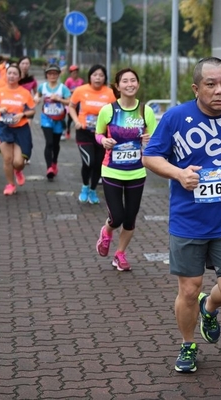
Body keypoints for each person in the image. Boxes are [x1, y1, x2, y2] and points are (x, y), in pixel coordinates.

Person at [142, 57, 221, 373]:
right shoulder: (175, 118)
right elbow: (151, 156)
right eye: (211, 84)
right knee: (188, 288)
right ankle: (188, 345)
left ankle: (208, 307)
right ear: (196, 88)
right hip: (188, 221)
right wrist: (178, 173)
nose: (219, 90)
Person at [94, 68, 157, 271]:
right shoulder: (108, 110)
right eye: (125, 81)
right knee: (117, 216)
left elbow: (155, 141)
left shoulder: (145, 111)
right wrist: (103, 141)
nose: (130, 84)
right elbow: (98, 134)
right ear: (118, 86)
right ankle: (106, 231)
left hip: (137, 171)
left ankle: (119, 254)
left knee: (130, 219)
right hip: (111, 170)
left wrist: (149, 140)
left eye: (133, 80)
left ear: (138, 84)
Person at [68, 64, 116, 204]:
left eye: (101, 75)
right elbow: (71, 106)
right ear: (90, 77)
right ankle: (85, 186)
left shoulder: (110, 93)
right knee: (89, 161)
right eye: (95, 75)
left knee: (98, 164)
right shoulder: (81, 90)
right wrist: (76, 121)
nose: (98, 78)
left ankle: (93, 190)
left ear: (105, 78)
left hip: (102, 134)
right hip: (84, 132)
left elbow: (116, 112)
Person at [0, 64, 36, 196]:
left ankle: (18, 170)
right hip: (4, 128)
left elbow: (32, 110)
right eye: (9, 73)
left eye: (15, 74)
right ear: (6, 75)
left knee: (18, 162)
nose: (11, 76)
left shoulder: (25, 93)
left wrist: (22, 114)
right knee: (7, 159)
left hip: (21, 129)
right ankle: (10, 184)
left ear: (19, 77)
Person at [34, 64, 71, 181]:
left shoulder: (63, 88)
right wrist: (36, 98)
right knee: (49, 142)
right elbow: (38, 94)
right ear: (47, 75)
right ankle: (49, 168)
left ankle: (54, 162)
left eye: (55, 73)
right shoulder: (43, 87)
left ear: (58, 75)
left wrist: (59, 99)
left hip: (59, 119)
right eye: (50, 73)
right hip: (46, 118)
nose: (52, 76)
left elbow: (70, 101)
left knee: (55, 144)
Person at [63, 65, 84, 140]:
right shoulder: (68, 81)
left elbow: (83, 90)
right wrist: (74, 90)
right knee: (70, 118)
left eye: (76, 72)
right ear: (70, 73)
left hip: (79, 102)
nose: (74, 74)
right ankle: (68, 131)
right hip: (71, 102)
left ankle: (78, 132)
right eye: (73, 73)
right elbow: (65, 90)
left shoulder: (81, 81)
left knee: (78, 117)